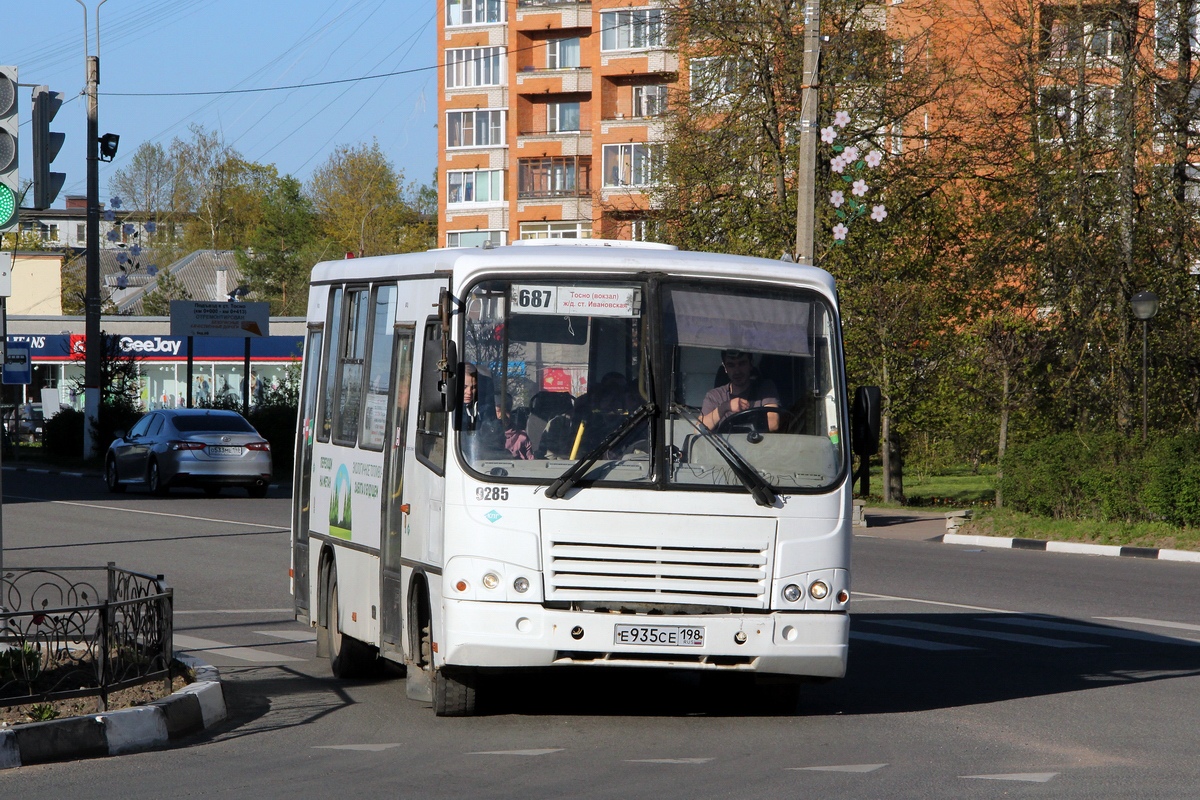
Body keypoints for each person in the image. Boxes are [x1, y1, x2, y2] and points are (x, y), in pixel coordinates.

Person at [700, 349, 781, 431]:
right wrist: (725, 406)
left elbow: (773, 424)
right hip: (723, 444)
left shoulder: (765, 388)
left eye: (742, 364)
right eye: (731, 365)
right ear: (725, 367)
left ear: (751, 364)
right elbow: (699, 429)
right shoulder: (714, 396)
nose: (737, 371)